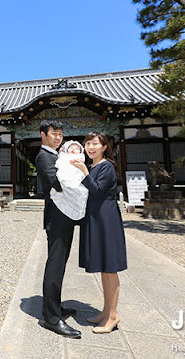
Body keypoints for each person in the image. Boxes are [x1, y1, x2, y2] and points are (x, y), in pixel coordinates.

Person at [71, 131, 127, 334]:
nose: (90, 147)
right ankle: (105, 311)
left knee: (110, 268)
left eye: (95, 143)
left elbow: (97, 190)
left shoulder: (107, 167)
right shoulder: (95, 166)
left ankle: (113, 316)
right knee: (104, 268)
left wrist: (85, 173)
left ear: (104, 147)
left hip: (107, 220)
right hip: (96, 218)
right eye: (88, 143)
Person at [35, 120, 82, 339]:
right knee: (55, 264)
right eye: (54, 133)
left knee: (61, 263)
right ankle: (51, 318)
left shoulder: (56, 155)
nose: (58, 137)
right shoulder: (44, 157)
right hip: (56, 216)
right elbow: (57, 182)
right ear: (43, 134)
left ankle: (55, 306)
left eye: (61, 134)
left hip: (65, 215)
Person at [50, 140, 89, 221]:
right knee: (65, 184)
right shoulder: (63, 156)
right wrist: (61, 152)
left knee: (77, 190)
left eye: (76, 148)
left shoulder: (80, 157)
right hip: (64, 175)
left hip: (75, 177)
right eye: (71, 148)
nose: (73, 149)